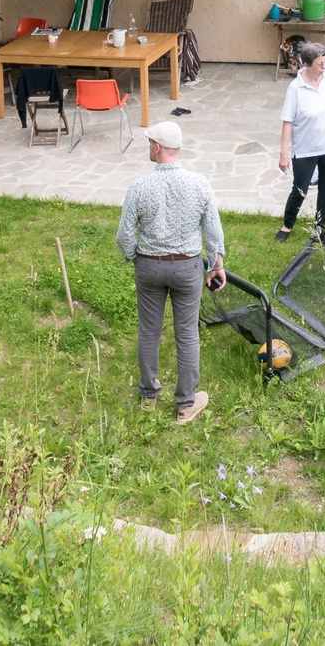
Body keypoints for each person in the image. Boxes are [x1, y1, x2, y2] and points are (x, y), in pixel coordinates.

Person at [116, 121, 227, 425]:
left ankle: (149, 396)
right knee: (187, 334)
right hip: (187, 268)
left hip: (149, 267)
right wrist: (216, 265)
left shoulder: (139, 187)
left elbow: (124, 235)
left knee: (148, 332)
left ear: (157, 148)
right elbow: (213, 231)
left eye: (149, 143)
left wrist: (134, 257)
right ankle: (186, 404)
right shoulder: (199, 184)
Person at [277, 42, 325, 243]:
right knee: (300, 188)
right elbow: (287, 121)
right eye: (320, 64)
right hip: (306, 149)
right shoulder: (295, 88)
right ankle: (288, 224)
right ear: (307, 65)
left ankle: (321, 226)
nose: (324, 67)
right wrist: (283, 153)